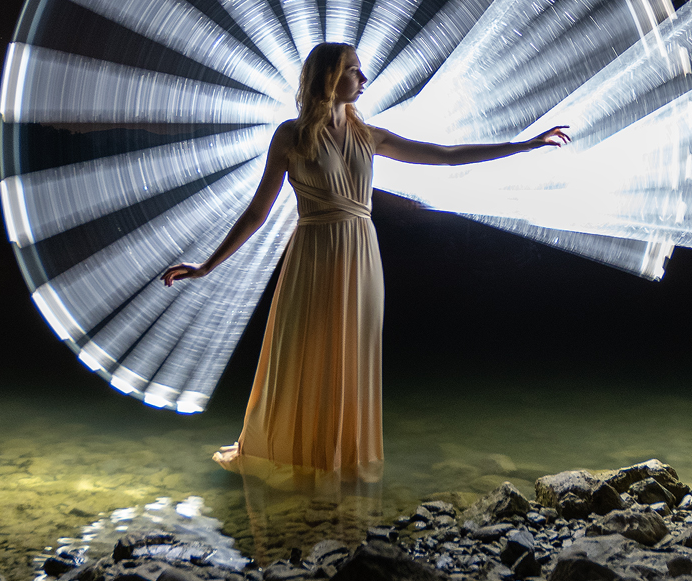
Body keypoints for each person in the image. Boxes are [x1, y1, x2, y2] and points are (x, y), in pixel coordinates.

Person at [159, 40, 569, 489]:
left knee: (352, 353)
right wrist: (207, 265)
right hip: (313, 253)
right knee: (303, 350)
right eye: (355, 70)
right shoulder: (289, 136)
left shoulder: (369, 135)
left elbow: (446, 156)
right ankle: (295, 453)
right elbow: (258, 211)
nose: (364, 78)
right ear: (329, 78)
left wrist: (523, 145)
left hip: (360, 252)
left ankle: (339, 458)